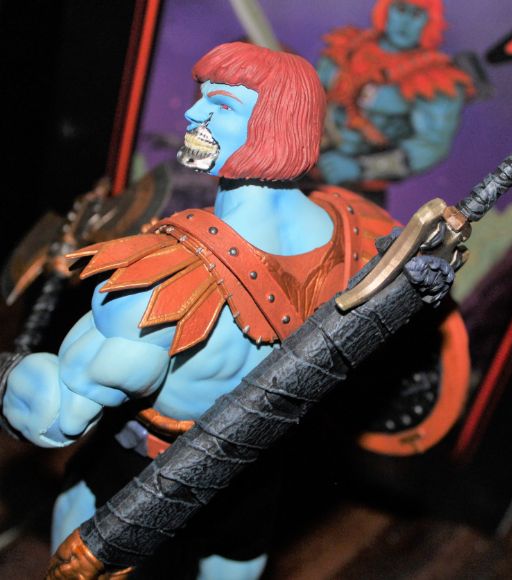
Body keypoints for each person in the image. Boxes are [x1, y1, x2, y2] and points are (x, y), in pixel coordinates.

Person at [0, 42, 400, 579]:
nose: (193, 113)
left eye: (221, 104)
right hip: (256, 468)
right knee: (234, 561)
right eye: (201, 97)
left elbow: (57, 417)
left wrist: (10, 374)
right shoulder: (360, 228)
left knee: (81, 514)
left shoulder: (158, 286)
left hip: (142, 473)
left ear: (273, 126)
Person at [316, 0, 475, 202]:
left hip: (361, 193)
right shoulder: (346, 47)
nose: (405, 22)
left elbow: (430, 145)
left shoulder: (436, 79)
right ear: (386, 10)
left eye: (416, 14)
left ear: (430, 21)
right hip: (305, 168)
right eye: (400, 9)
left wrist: (360, 168)